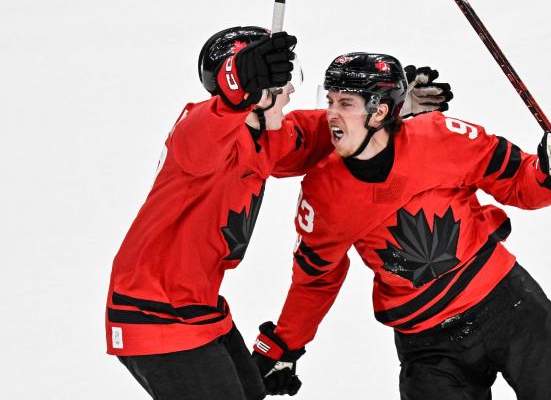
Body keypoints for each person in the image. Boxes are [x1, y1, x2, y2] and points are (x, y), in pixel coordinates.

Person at [105, 26, 453, 399]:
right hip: (154, 313)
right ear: (256, 92)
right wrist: (236, 86)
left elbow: (329, 131)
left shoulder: (269, 135)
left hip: (201, 309)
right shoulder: (203, 140)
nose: (290, 91)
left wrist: (389, 106)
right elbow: (203, 131)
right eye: (281, 82)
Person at [251, 52, 551, 399]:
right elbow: (316, 279)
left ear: (379, 111)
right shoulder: (324, 192)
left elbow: (518, 180)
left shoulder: (440, 137)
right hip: (427, 345)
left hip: (508, 305)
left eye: (345, 103)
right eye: (329, 100)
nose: (330, 114)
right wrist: (285, 344)